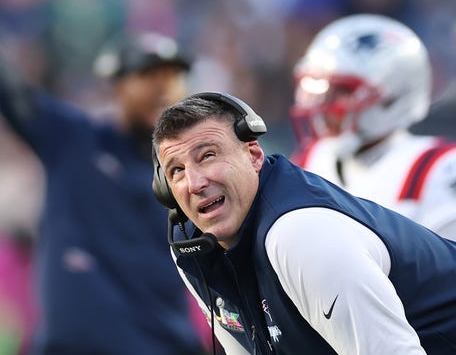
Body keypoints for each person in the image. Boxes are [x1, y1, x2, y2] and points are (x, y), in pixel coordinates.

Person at [151, 91, 456, 355]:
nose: (194, 182)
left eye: (207, 156)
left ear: (254, 155)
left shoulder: (301, 235)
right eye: (176, 170)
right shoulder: (193, 248)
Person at [0, 31, 208, 354]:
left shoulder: (193, 176)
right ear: (117, 86)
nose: (162, 88)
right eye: (147, 76)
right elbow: (12, 94)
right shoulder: (73, 140)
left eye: (172, 77)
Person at [289, 13, 456, 240]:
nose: (322, 104)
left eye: (342, 91)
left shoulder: (436, 169)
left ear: (392, 99)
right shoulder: (310, 160)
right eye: (317, 85)